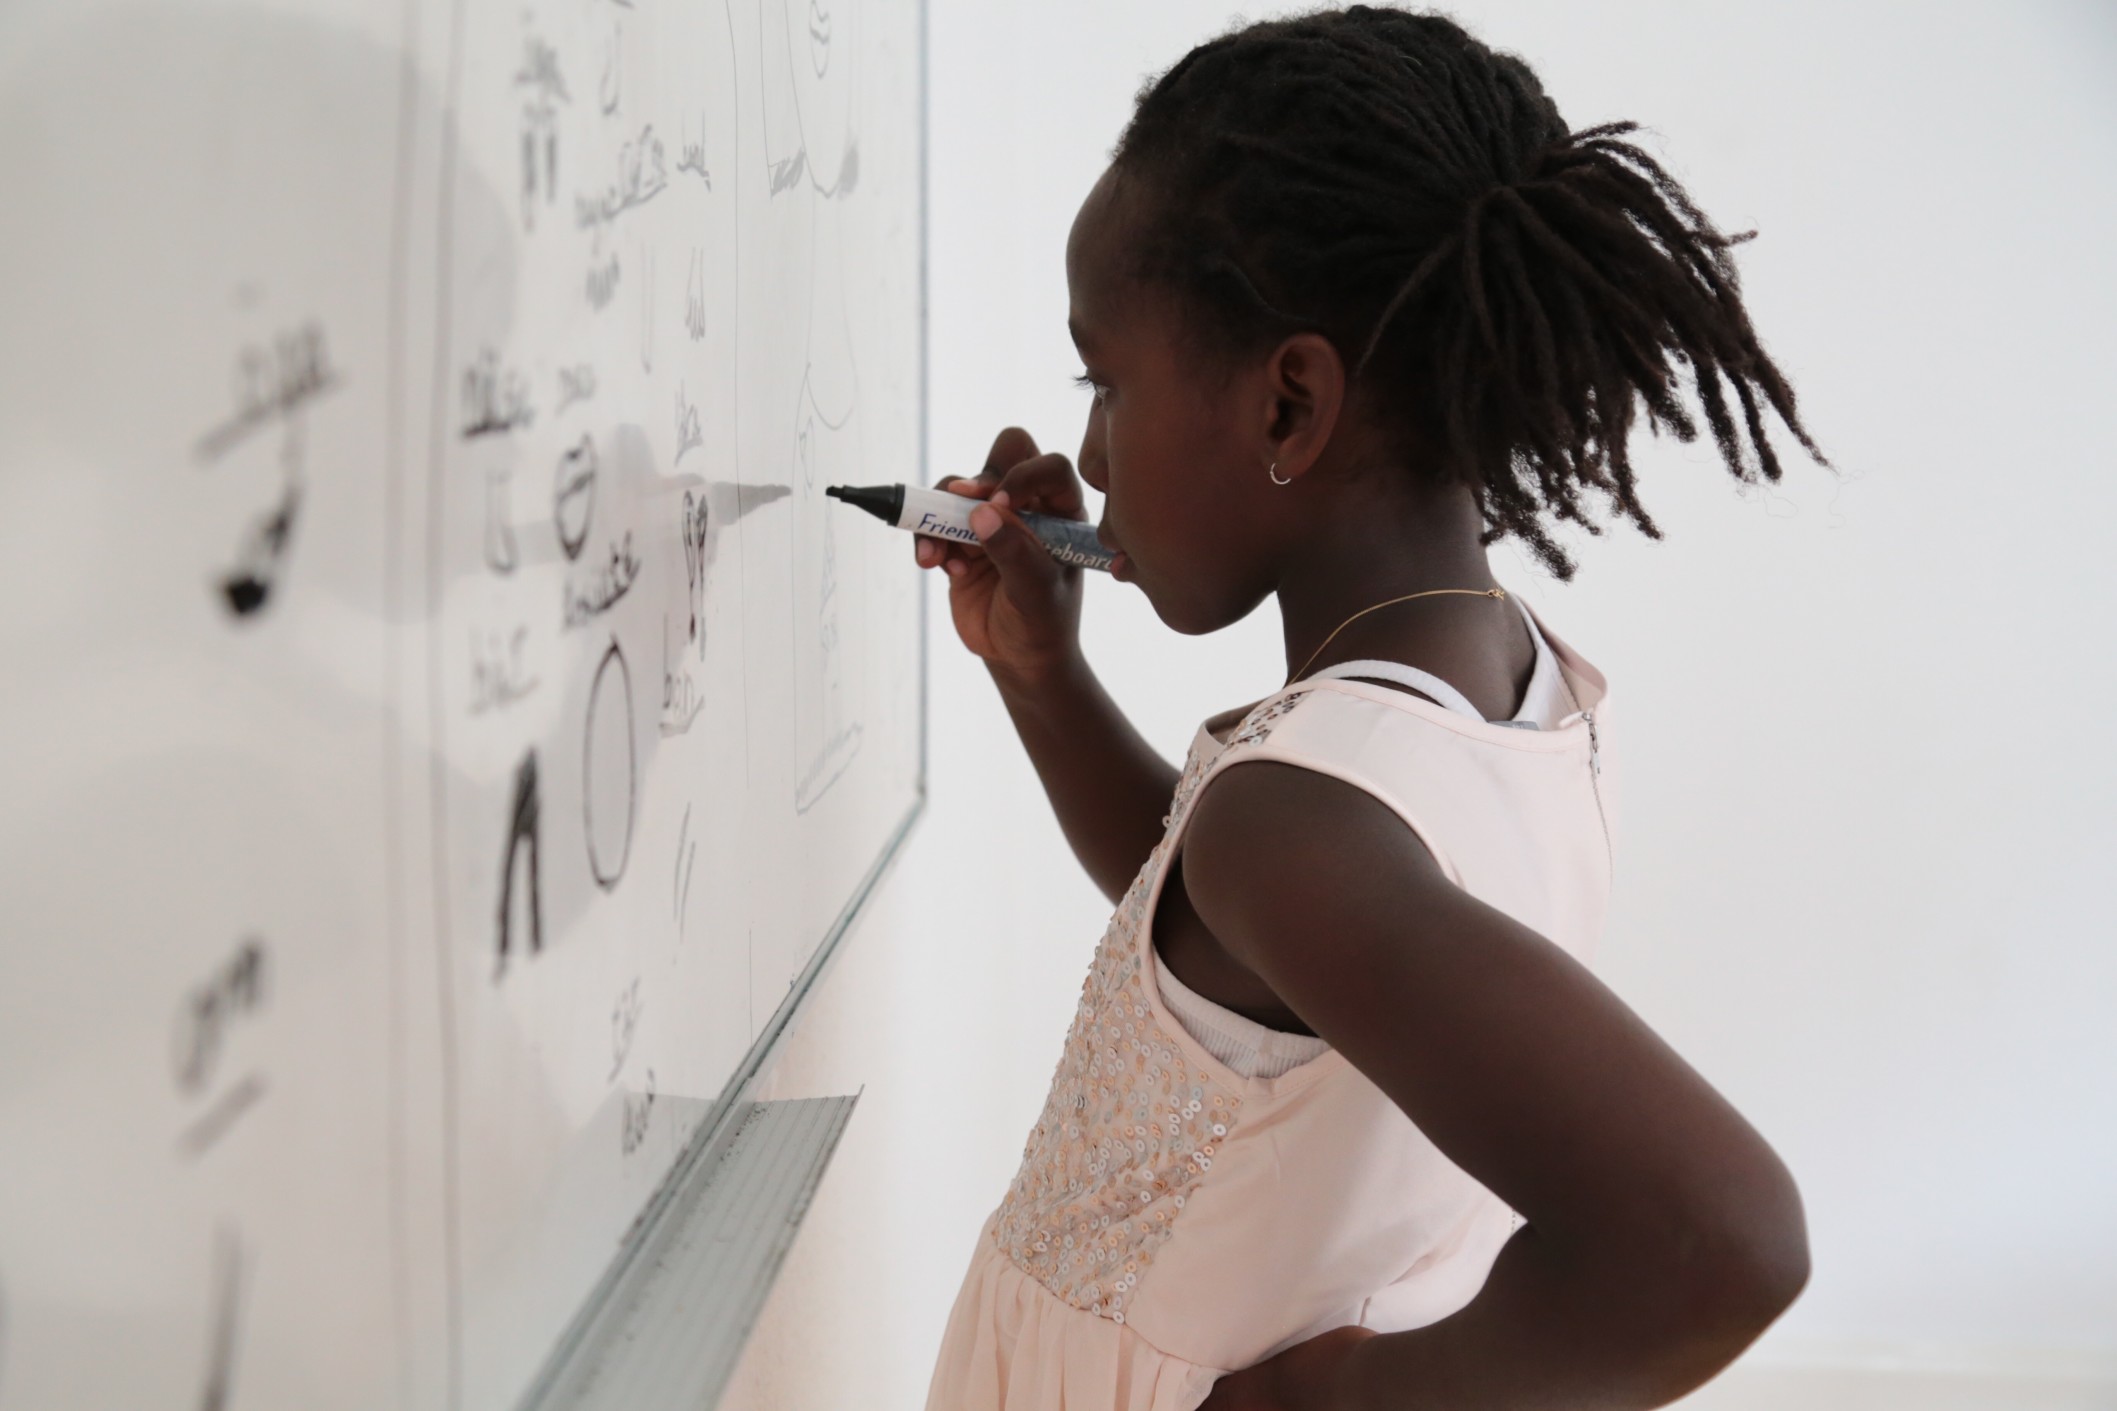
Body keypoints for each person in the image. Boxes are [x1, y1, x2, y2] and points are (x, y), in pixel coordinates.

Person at [917, 8, 1831, 1409]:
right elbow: (1231, 972)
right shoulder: (1492, 683)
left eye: (1103, 381)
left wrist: (1301, 1405)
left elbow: (1718, 1247)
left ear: (1289, 404)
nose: (1089, 454)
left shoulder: (1298, 825)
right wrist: (1042, 677)